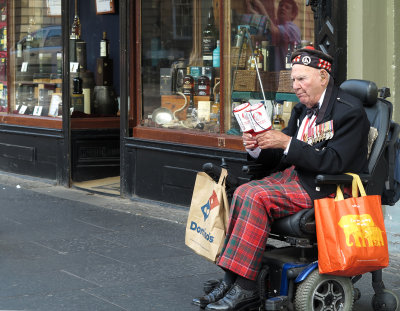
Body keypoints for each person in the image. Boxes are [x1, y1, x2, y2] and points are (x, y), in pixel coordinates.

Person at [192, 46, 370, 310]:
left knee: (251, 194)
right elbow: (283, 156)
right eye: (293, 80)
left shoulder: (349, 112)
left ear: (323, 77)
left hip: (324, 187)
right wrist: (257, 146)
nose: (296, 86)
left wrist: (287, 142)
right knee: (239, 193)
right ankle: (231, 279)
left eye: (302, 79)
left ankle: (246, 288)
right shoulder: (302, 110)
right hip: (295, 177)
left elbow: (334, 162)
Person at [242, 0, 301, 70]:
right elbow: (261, 35)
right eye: (281, 6)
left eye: (287, 7)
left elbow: (274, 31)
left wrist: (260, 6)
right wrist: (251, 10)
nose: (283, 8)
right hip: (274, 75)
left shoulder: (293, 29)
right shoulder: (276, 25)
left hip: (286, 76)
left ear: (293, 14)